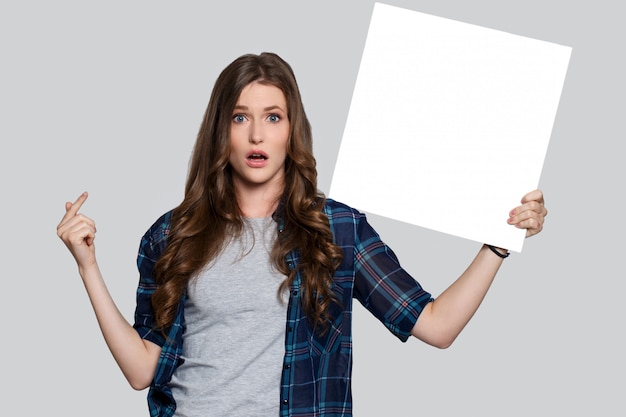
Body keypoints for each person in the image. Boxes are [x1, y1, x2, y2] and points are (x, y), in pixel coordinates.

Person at [57, 52, 548, 417]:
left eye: (273, 117)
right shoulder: (171, 234)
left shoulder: (337, 229)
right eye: (240, 117)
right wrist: (88, 267)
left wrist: (497, 242)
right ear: (220, 130)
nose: (256, 136)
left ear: (292, 131)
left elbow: (437, 327)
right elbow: (143, 371)